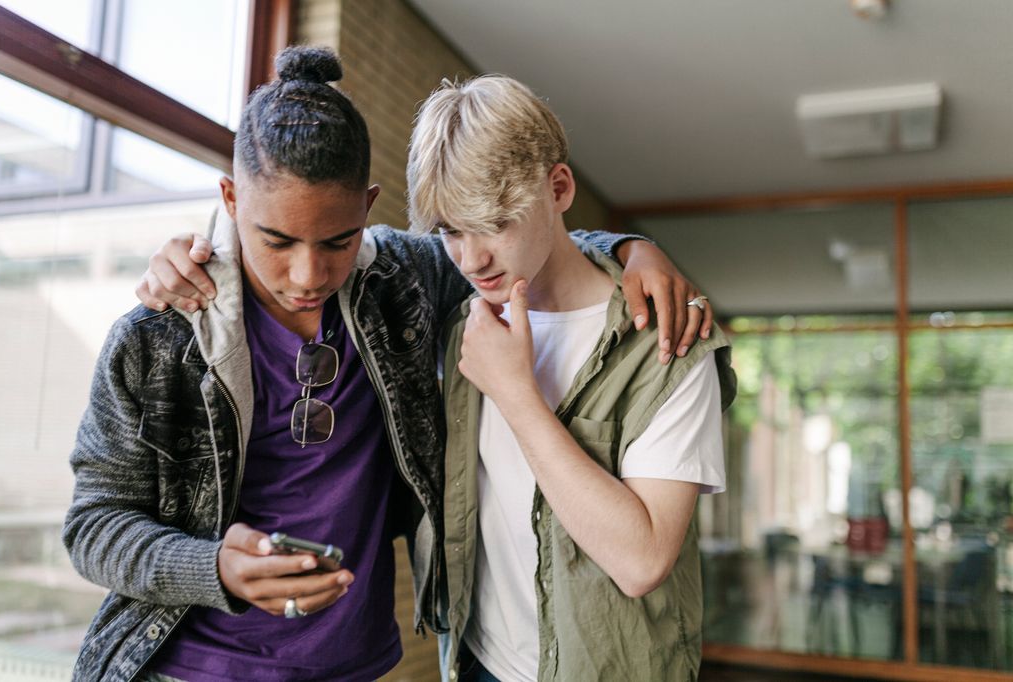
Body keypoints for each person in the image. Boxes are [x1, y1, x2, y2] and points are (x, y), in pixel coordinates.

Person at [66, 46, 709, 682]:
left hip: (355, 664)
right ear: (231, 200)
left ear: (369, 209)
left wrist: (633, 250)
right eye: (277, 241)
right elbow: (92, 526)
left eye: (338, 241)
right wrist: (210, 567)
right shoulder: (157, 336)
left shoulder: (401, 282)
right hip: (187, 667)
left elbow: (533, 245)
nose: (308, 274)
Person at [405, 75, 737, 681]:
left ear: (558, 187)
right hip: (476, 663)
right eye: (452, 230)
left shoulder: (668, 342)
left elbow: (641, 561)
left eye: (496, 222)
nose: (471, 258)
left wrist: (515, 393)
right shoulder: (466, 326)